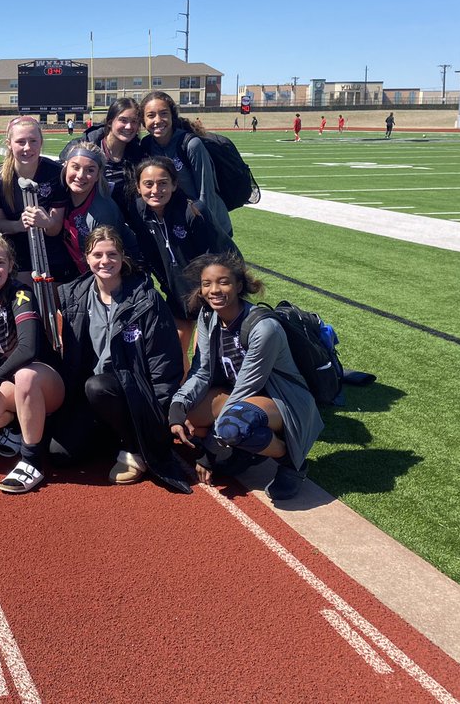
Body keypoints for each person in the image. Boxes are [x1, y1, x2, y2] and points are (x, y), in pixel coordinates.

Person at [169, 252, 323, 501]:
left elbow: (247, 387)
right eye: (207, 284)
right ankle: (246, 450)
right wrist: (178, 405)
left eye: (223, 282)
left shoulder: (263, 327)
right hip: (240, 396)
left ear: (239, 286)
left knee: (232, 426)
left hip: (280, 401)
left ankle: (291, 461)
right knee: (182, 416)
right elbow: (202, 370)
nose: (214, 290)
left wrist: (210, 452)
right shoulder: (208, 316)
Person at [57, 227, 190, 493]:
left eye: (112, 254)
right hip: (91, 395)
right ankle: (111, 431)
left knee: (97, 386)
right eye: (97, 255)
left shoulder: (146, 300)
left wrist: (158, 417)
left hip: (133, 393)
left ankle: (134, 448)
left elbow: (164, 362)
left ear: (122, 257)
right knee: (60, 455)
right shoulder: (73, 296)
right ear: (86, 257)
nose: (104, 261)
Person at [0, 234, 65, 493]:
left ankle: (31, 461)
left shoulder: (21, 293)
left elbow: (28, 350)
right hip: (8, 379)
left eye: (0, 263)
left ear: (10, 265)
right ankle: (19, 424)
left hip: (44, 380)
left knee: (25, 375)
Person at [124, 157, 236, 368]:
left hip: (209, 290)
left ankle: (206, 385)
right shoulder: (138, 211)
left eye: (163, 183)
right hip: (177, 289)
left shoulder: (193, 211)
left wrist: (208, 297)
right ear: (138, 187)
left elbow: (214, 262)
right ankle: (180, 384)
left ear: (174, 184)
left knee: (205, 354)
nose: (155, 190)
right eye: (148, 184)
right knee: (173, 349)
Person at [0, 115, 74, 284]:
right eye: (20, 142)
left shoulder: (55, 173)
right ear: (9, 144)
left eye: (33, 141)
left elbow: (55, 228)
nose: (27, 147)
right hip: (16, 253)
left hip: (51, 253)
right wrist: (18, 225)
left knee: (52, 298)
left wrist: (46, 222)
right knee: (25, 297)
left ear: (41, 142)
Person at [138, 91, 232, 236]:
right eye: (151, 115)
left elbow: (206, 193)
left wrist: (205, 228)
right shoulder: (146, 145)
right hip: (180, 223)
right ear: (143, 121)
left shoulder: (191, 145)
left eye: (164, 113)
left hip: (210, 224)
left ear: (172, 116)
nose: (158, 120)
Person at [60, 143, 140, 272]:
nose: (80, 175)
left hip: (116, 273)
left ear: (98, 175)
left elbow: (106, 264)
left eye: (90, 170)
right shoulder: (60, 195)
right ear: (65, 167)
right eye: (75, 167)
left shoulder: (102, 212)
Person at [65, 97, 143, 203]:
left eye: (134, 121)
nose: (129, 126)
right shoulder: (86, 147)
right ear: (110, 122)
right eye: (123, 120)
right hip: (85, 209)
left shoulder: (139, 154)